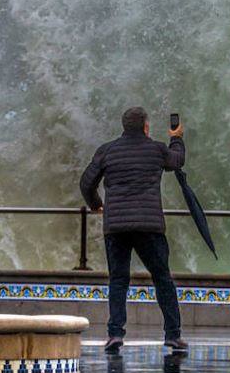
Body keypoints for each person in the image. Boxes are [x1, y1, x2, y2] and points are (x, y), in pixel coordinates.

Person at [80, 106, 187, 354]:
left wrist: (96, 204)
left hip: (116, 226)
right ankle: (173, 336)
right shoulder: (157, 149)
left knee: (118, 280)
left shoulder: (107, 151)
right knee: (162, 279)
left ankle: (115, 334)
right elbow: (177, 160)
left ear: (124, 126)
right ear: (146, 127)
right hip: (149, 226)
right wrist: (177, 138)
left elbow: (86, 183)